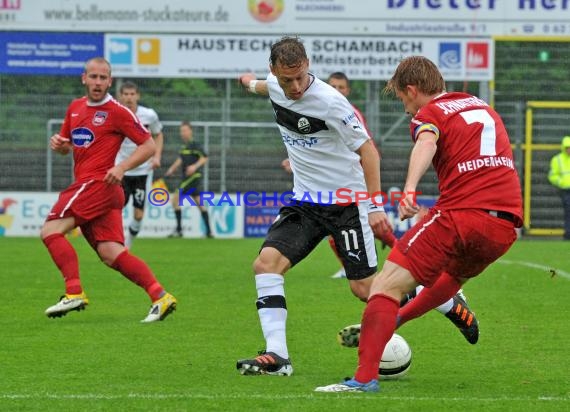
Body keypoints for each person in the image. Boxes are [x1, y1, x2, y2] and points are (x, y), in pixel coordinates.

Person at [315, 55, 522, 393]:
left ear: (412, 90)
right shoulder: (481, 106)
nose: (406, 109)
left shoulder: (430, 114)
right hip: (506, 225)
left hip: (461, 214)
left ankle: (363, 380)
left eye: (401, 99)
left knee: (383, 287)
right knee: (452, 277)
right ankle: (396, 319)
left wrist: (410, 187)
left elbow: (427, 141)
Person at [235, 36, 391, 376]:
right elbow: (258, 86)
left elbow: (370, 153)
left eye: (301, 77)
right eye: (286, 79)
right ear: (274, 70)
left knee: (365, 289)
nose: (294, 87)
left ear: (308, 66)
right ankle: (278, 357)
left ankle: (444, 300)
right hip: (305, 201)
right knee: (265, 265)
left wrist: (376, 206)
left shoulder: (331, 102)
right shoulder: (275, 86)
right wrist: (246, 81)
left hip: (346, 203)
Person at [41, 57, 177, 323]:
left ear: (109, 82)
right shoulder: (75, 108)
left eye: (103, 78)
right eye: (93, 77)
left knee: (50, 231)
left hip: (97, 184)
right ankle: (160, 296)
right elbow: (69, 145)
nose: (98, 82)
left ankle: (74, 292)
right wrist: (60, 146)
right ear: (84, 78)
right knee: (110, 253)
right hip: (99, 190)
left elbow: (148, 146)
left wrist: (122, 167)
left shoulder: (117, 111)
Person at [326, 71, 397, 279]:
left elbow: (367, 146)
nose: (336, 91)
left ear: (347, 91)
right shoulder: (323, 110)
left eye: (341, 87)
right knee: (340, 230)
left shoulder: (350, 112)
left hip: (355, 179)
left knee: (368, 224)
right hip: (339, 179)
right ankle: (349, 268)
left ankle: (405, 253)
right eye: (333, 86)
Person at [115, 81, 164, 249]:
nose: (129, 98)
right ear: (120, 96)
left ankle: (128, 243)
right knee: (115, 210)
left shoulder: (149, 115)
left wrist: (156, 156)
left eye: (132, 94)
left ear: (138, 96)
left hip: (143, 172)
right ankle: (116, 243)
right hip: (121, 171)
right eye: (126, 94)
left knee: (138, 214)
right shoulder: (115, 113)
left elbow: (158, 135)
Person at [164, 120, 213, 238]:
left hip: (192, 177)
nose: (183, 133)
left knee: (175, 200)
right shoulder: (184, 147)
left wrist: (194, 166)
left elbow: (205, 157)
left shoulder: (195, 144)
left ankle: (179, 230)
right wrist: (172, 169)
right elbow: (180, 159)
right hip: (188, 178)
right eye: (181, 131)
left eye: (185, 130)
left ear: (190, 131)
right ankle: (209, 232)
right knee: (200, 204)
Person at [548, 136, 570, 240]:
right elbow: (552, 175)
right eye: (567, 147)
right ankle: (568, 233)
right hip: (565, 190)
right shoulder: (557, 160)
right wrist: (560, 182)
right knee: (568, 211)